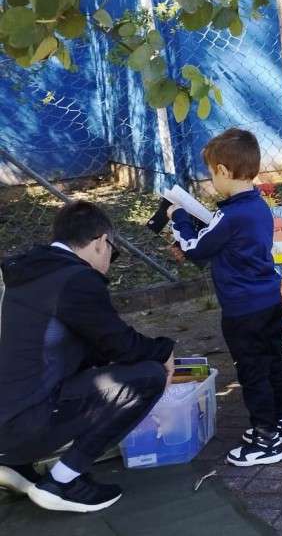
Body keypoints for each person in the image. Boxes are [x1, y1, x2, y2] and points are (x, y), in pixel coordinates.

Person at [0, 201, 175, 513]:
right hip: (25, 423)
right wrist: (165, 350)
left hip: (10, 419)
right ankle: (62, 481)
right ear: (99, 242)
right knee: (149, 375)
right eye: (112, 250)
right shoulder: (75, 280)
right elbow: (121, 346)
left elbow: (89, 345)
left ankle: (18, 465)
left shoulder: (32, 273)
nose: (110, 259)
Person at [169, 128, 282, 467]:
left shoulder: (229, 215)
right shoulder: (257, 207)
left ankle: (266, 441)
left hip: (242, 310)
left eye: (212, 173)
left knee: (252, 370)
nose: (211, 181)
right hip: (268, 301)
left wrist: (177, 217)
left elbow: (196, 249)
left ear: (224, 171)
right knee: (272, 362)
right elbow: (224, 245)